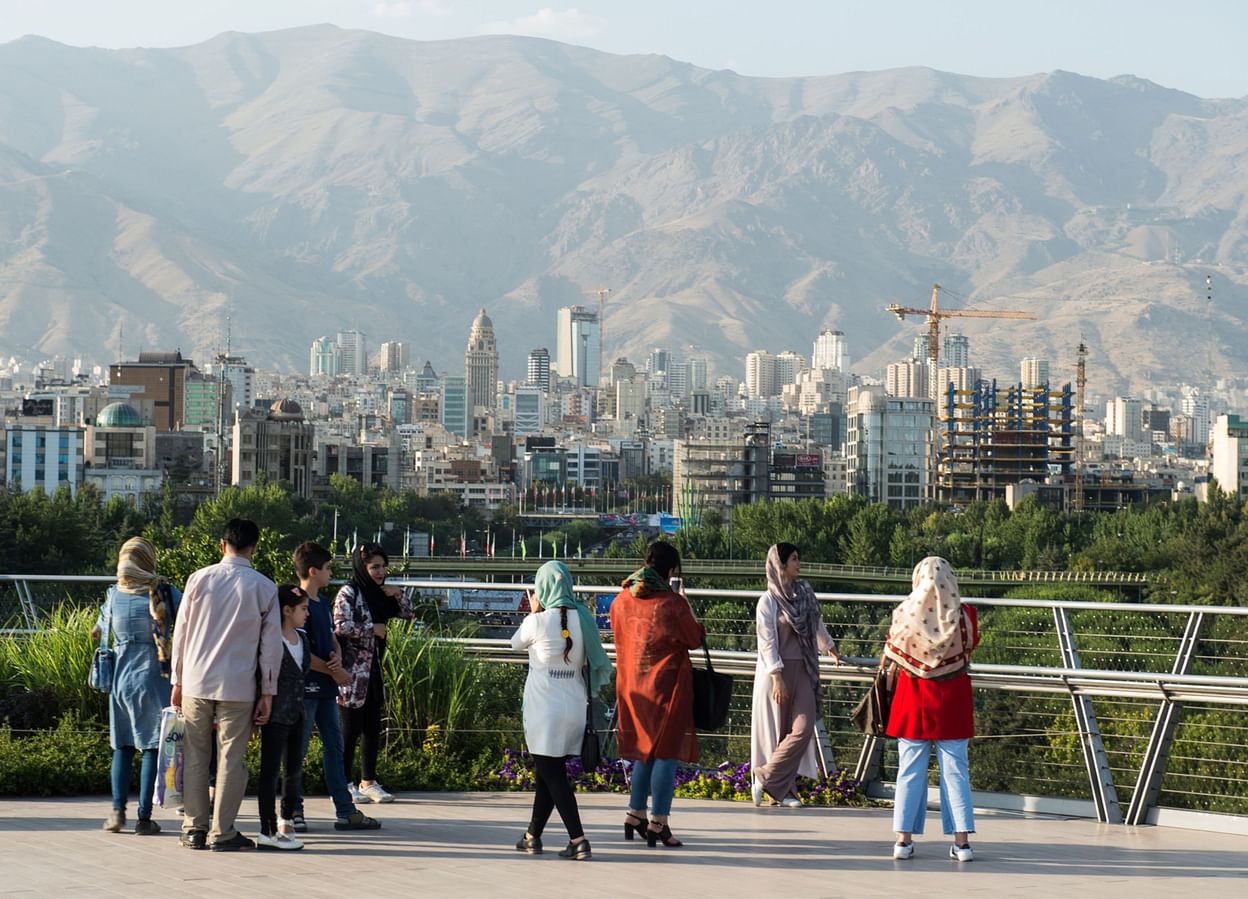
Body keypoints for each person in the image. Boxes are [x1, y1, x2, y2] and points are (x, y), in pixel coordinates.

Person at [171, 518, 283, 852]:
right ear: (254, 547)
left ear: (222, 545)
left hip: (195, 680)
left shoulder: (198, 579)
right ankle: (223, 832)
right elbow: (271, 646)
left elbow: (181, 634)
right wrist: (268, 691)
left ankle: (194, 828)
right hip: (239, 684)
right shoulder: (264, 587)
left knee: (194, 756)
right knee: (232, 759)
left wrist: (177, 679)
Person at [510, 560, 613, 860]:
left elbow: (515, 644)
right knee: (548, 772)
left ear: (542, 588)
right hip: (574, 710)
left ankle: (578, 840)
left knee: (552, 775)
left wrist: (533, 611)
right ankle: (532, 836)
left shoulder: (537, 621)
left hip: (544, 712)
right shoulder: (582, 618)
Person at [884, 556, 980, 862]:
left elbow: (892, 651)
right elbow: (970, 646)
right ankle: (962, 843)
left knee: (909, 772)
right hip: (953, 699)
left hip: (912, 699)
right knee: (956, 773)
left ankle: (903, 840)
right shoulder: (965, 616)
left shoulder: (903, 614)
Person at [611, 541, 704, 848]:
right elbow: (692, 638)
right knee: (666, 752)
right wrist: (689, 610)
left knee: (644, 751)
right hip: (666, 687)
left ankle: (634, 813)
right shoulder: (672, 603)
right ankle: (658, 822)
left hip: (631, 685)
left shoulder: (622, 598)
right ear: (670, 570)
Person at [286, 542, 380, 832]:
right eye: (327, 569)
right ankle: (293, 810)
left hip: (327, 689)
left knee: (335, 747)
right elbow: (298, 649)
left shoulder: (323, 604)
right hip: (306, 689)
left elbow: (332, 638)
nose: (330, 574)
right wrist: (334, 671)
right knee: (296, 750)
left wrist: (338, 659)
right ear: (313, 571)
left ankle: (345, 810)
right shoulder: (298, 603)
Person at [92, 537, 180, 835]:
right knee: (152, 747)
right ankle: (144, 818)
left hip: (120, 679)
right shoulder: (164, 592)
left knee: (123, 745)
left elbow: (97, 631)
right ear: (148, 560)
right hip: (155, 676)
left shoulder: (113, 596)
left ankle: (117, 812)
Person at [750, 543, 840, 808]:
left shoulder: (805, 594)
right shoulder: (767, 601)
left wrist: (830, 647)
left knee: (802, 728)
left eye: (798, 558)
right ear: (780, 564)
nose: (798, 563)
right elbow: (766, 641)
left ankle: (765, 775)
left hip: (803, 668)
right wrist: (776, 674)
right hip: (775, 671)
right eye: (793, 559)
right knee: (778, 731)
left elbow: (816, 623)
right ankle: (783, 790)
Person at [334, 542, 414, 804]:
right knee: (349, 729)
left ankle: (368, 781)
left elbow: (408, 613)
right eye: (374, 567)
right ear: (362, 567)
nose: (380, 572)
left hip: (375, 668)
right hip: (352, 672)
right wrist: (372, 629)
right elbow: (340, 625)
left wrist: (398, 593)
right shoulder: (349, 592)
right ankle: (343, 782)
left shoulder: (381, 594)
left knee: (372, 726)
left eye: (382, 566)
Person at [256, 585, 311, 850]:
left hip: (298, 713)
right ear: (286, 610)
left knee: (293, 770)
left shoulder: (303, 638)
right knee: (269, 771)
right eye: (303, 609)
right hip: (274, 713)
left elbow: (305, 672)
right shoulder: (269, 639)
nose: (307, 614)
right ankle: (266, 828)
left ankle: (286, 819)